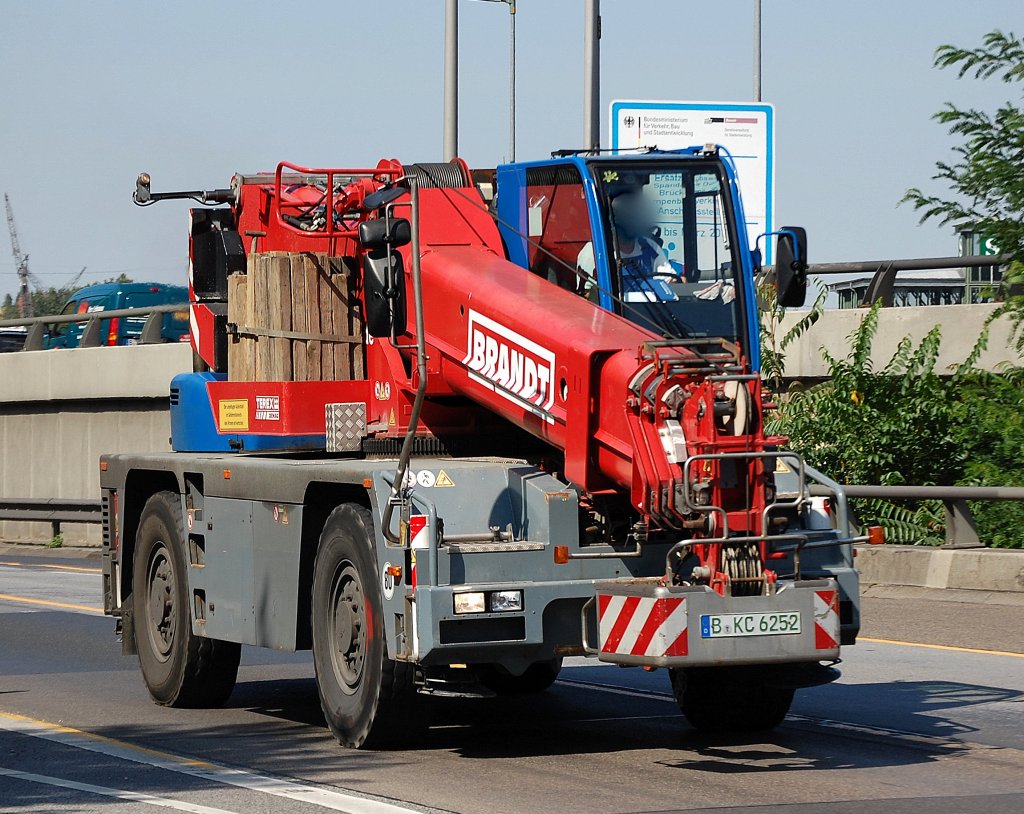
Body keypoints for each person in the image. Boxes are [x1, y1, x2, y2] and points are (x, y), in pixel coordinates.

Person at [576, 185, 683, 302]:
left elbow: (670, 281)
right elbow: (586, 298)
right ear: (615, 220)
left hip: (654, 315)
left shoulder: (650, 247)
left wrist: (679, 283)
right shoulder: (594, 251)